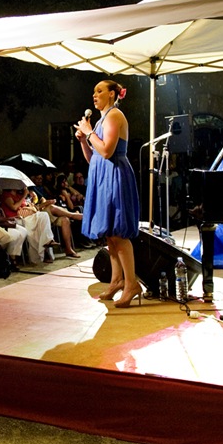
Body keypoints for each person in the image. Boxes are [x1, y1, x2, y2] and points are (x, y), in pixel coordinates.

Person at [74, 79, 142, 307]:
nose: (94, 95)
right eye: (94, 91)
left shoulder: (114, 116)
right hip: (103, 176)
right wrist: (85, 140)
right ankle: (116, 281)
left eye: (100, 91)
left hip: (115, 176)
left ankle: (132, 283)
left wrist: (89, 131)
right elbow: (93, 158)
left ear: (112, 94)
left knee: (119, 233)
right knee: (111, 235)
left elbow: (106, 150)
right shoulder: (103, 118)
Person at [0, 188, 56, 264]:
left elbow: (32, 207)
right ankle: (44, 250)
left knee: (43, 215)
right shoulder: (6, 195)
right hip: (15, 219)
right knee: (35, 228)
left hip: (27, 217)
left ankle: (48, 241)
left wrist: (27, 209)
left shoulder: (19, 195)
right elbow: (14, 207)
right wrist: (25, 195)